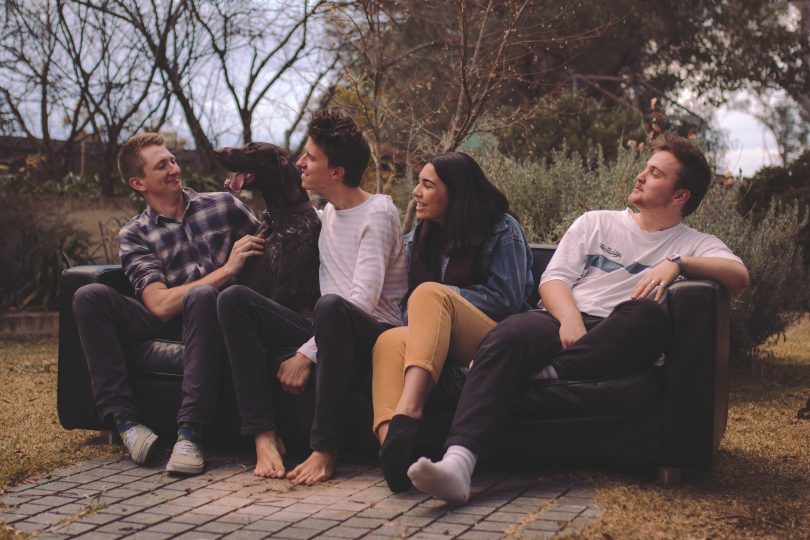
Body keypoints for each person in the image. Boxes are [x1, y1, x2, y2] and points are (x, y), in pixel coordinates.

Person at [407, 134, 750, 504]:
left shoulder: (693, 242)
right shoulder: (596, 223)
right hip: (559, 320)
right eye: (645, 168)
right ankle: (458, 465)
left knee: (649, 316)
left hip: (618, 333)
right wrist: (570, 318)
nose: (640, 176)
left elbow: (739, 276)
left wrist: (680, 264)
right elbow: (553, 280)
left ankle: (549, 371)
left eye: (655, 173)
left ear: (680, 195)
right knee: (511, 333)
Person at [217, 109, 407, 484]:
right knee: (234, 299)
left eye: (311, 158)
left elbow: (360, 303)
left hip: (373, 333)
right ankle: (263, 434)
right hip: (325, 326)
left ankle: (325, 450)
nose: (299, 163)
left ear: (336, 172)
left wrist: (306, 354)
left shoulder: (379, 213)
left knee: (331, 306)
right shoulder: (327, 217)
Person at [72, 133, 262, 474]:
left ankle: (190, 434)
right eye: (162, 166)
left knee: (203, 296)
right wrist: (227, 269)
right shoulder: (135, 234)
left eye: (172, 160)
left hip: (215, 318)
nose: (174, 168)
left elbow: (271, 247)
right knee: (89, 296)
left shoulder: (224, 206)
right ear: (138, 182)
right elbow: (158, 305)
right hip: (166, 317)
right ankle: (127, 425)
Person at [371, 152, 534, 492]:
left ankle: (409, 413)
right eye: (418, 182)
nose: (416, 191)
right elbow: (406, 307)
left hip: (492, 338)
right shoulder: (420, 239)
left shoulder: (502, 228)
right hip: (436, 345)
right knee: (388, 340)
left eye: (427, 185)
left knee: (430, 294)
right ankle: (393, 449)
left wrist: (444, 301)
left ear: (457, 194)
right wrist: (431, 315)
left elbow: (508, 300)